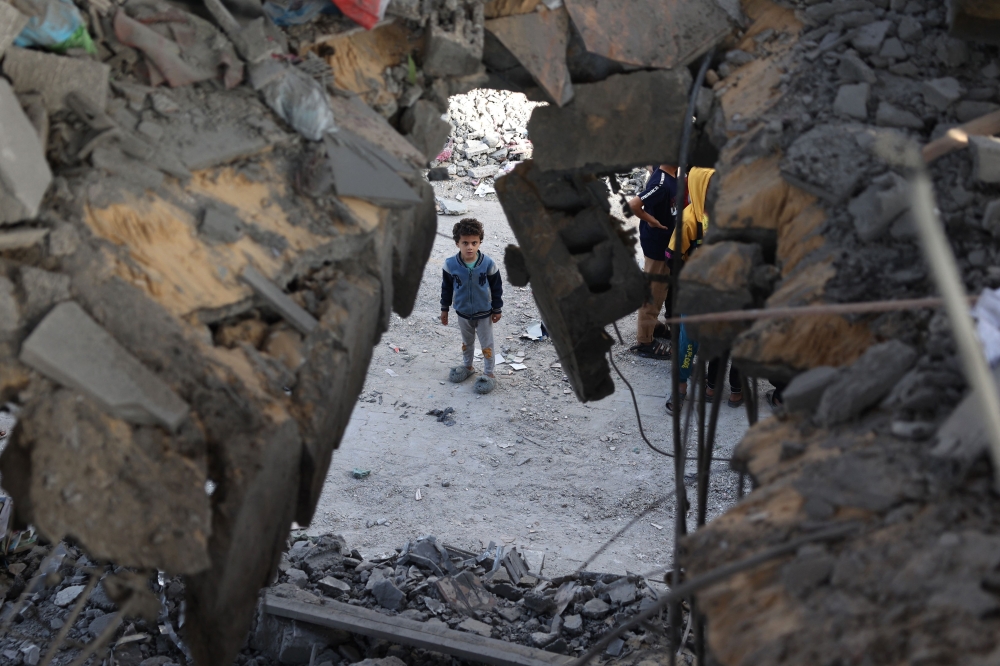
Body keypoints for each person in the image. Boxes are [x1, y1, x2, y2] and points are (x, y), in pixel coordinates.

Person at [663, 167, 743, 412]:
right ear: (699, 188)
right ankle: (680, 388)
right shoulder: (688, 220)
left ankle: (712, 387)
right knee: (689, 341)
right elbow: (671, 256)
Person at [440, 218, 503, 394]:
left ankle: (489, 374)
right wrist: (444, 309)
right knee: (467, 343)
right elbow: (446, 289)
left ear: (479, 242)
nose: (470, 247)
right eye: (465, 243)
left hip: (484, 313)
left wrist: (497, 308)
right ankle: (468, 367)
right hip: (462, 313)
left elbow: (497, 288)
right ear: (457, 243)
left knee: (486, 344)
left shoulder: (488, 264)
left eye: (474, 243)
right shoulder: (450, 265)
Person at [628, 164, 678, 360]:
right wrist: (652, 221)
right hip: (657, 246)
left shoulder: (668, 174)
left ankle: (653, 327)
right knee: (654, 294)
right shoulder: (662, 183)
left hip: (664, 243)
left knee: (661, 290)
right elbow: (633, 205)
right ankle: (645, 342)